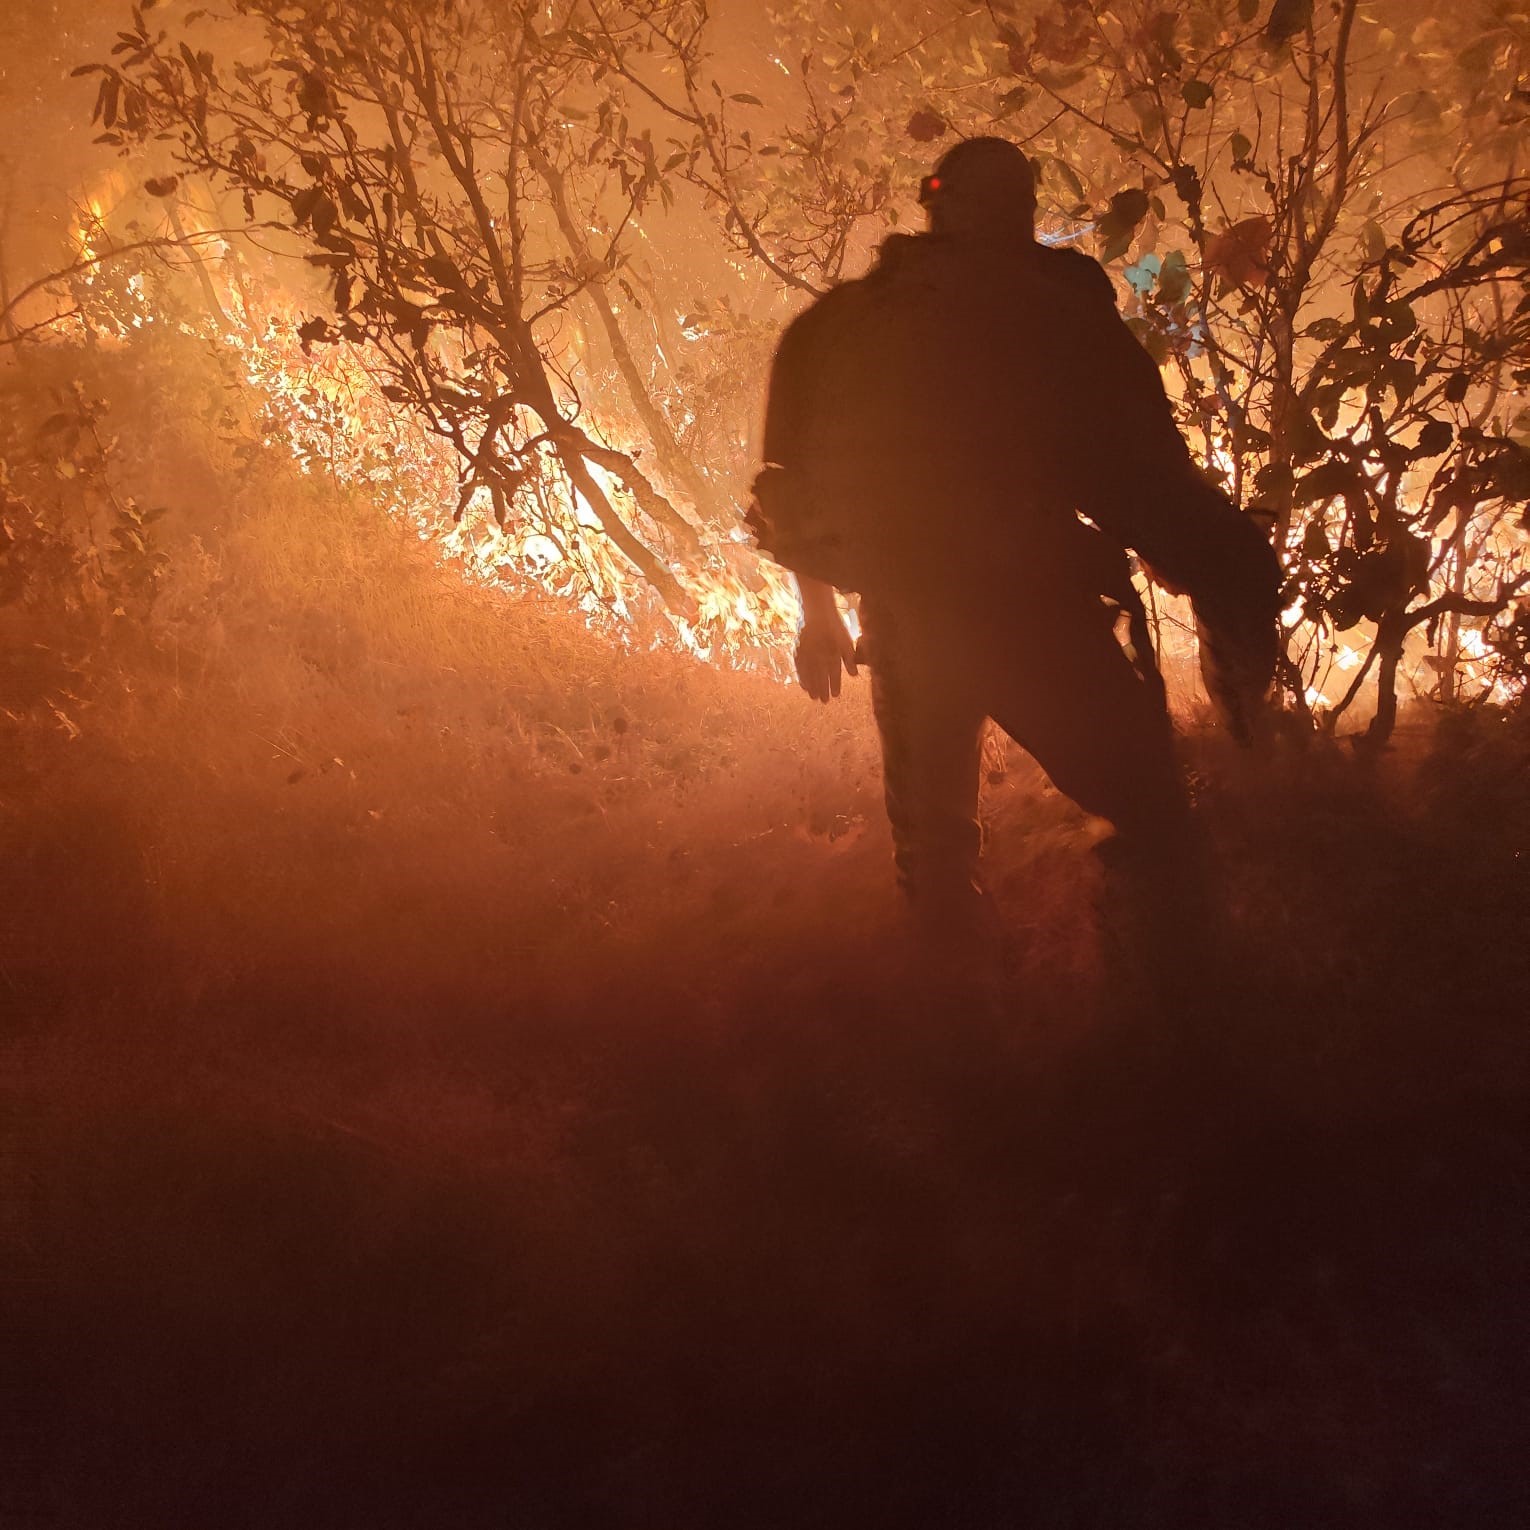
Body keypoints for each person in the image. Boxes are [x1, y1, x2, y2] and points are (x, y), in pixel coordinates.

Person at [750, 136, 1280, 942]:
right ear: (1017, 213)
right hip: (1031, 618)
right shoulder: (1050, 316)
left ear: (933, 205)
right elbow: (1147, 486)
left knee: (934, 871)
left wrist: (818, 612)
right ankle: (1175, 1028)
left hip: (908, 627)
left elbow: (787, 491)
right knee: (1158, 825)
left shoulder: (835, 325)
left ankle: (971, 1045)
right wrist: (1219, 571)